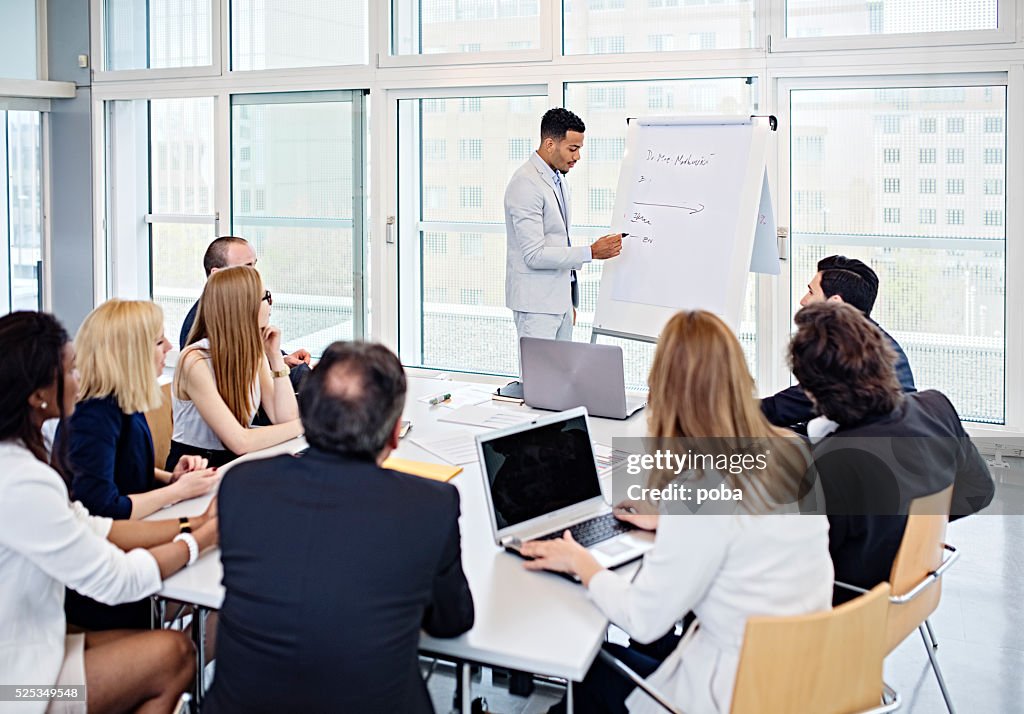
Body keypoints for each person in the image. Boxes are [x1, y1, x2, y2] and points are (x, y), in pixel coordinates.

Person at [521, 310, 833, 714]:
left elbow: (643, 619)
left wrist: (582, 563)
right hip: (803, 673)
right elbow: (748, 525)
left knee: (591, 676)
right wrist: (672, 519)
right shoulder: (791, 450)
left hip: (740, 693)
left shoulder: (702, 487)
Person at [204, 341, 474, 713]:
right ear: (395, 433)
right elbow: (452, 622)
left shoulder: (241, 485)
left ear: (308, 414)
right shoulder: (430, 505)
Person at [0, 310, 218, 714]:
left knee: (176, 646)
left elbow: (97, 527)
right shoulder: (22, 482)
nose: (79, 380)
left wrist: (198, 523)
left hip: (34, 646)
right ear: (36, 395)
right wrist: (202, 538)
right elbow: (117, 580)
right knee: (175, 655)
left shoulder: (19, 464)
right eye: (71, 370)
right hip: (15, 691)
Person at [788, 301, 994, 603]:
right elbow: (980, 490)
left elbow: (804, 567)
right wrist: (913, 536)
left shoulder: (831, 463)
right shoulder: (936, 407)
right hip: (913, 586)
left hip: (851, 611)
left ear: (812, 390)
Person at [55, 299, 219, 630]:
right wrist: (176, 493)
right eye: (159, 341)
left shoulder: (122, 403)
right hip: (101, 580)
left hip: (128, 547)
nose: (169, 347)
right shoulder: (93, 416)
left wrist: (171, 478)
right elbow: (102, 508)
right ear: (132, 353)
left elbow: (124, 473)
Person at [505, 107, 623, 344]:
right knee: (539, 378)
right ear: (550, 144)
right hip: (536, 306)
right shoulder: (525, 184)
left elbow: (558, 240)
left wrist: (567, 304)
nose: (577, 156)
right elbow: (534, 255)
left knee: (559, 378)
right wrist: (591, 253)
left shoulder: (558, 179)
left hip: (558, 303)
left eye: (579, 148)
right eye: (573, 148)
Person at [761, 255, 916, 428]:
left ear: (834, 303)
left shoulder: (847, 352)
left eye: (811, 292)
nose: (803, 301)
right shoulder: (877, 341)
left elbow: (779, 410)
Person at [169, 266, 302, 469]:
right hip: (195, 470)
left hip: (233, 463)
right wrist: (308, 425)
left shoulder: (252, 350)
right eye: (267, 297)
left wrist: (275, 357)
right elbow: (240, 441)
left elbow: (284, 417)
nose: (270, 304)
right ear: (245, 306)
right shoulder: (194, 360)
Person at [179, 236, 310, 390]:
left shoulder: (236, 310)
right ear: (216, 274)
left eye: (254, 266)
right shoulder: (201, 328)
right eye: (247, 267)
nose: (254, 275)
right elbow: (237, 379)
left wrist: (280, 359)